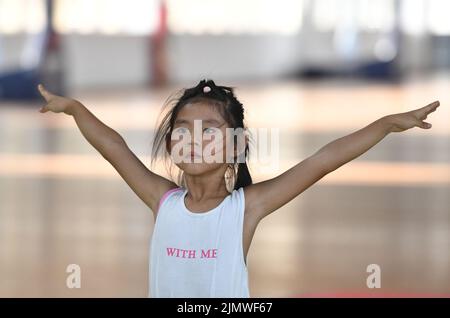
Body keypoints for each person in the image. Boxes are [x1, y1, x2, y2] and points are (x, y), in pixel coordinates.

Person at [37, 79, 440, 297]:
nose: (193, 139)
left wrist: (386, 124)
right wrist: (73, 108)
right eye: (182, 130)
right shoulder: (162, 200)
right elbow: (114, 147)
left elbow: (323, 159)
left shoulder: (245, 208)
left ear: (236, 146)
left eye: (209, 131)